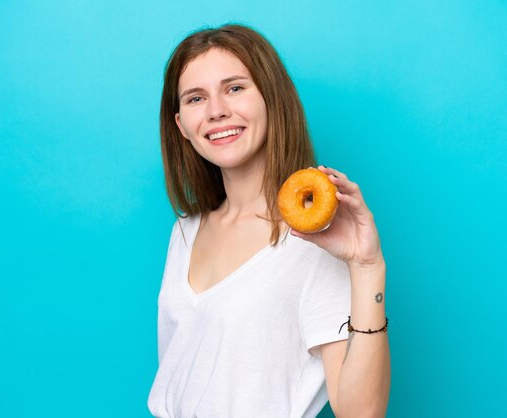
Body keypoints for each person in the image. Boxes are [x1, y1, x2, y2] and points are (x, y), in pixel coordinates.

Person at [148, 23, 390, 418]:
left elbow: (361, 413)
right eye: (195, 98)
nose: (215, 111)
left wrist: (367, 267)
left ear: (271, 98)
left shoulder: (314, 241)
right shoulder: (184, 233)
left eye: (235, 88)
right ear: (181, 126)